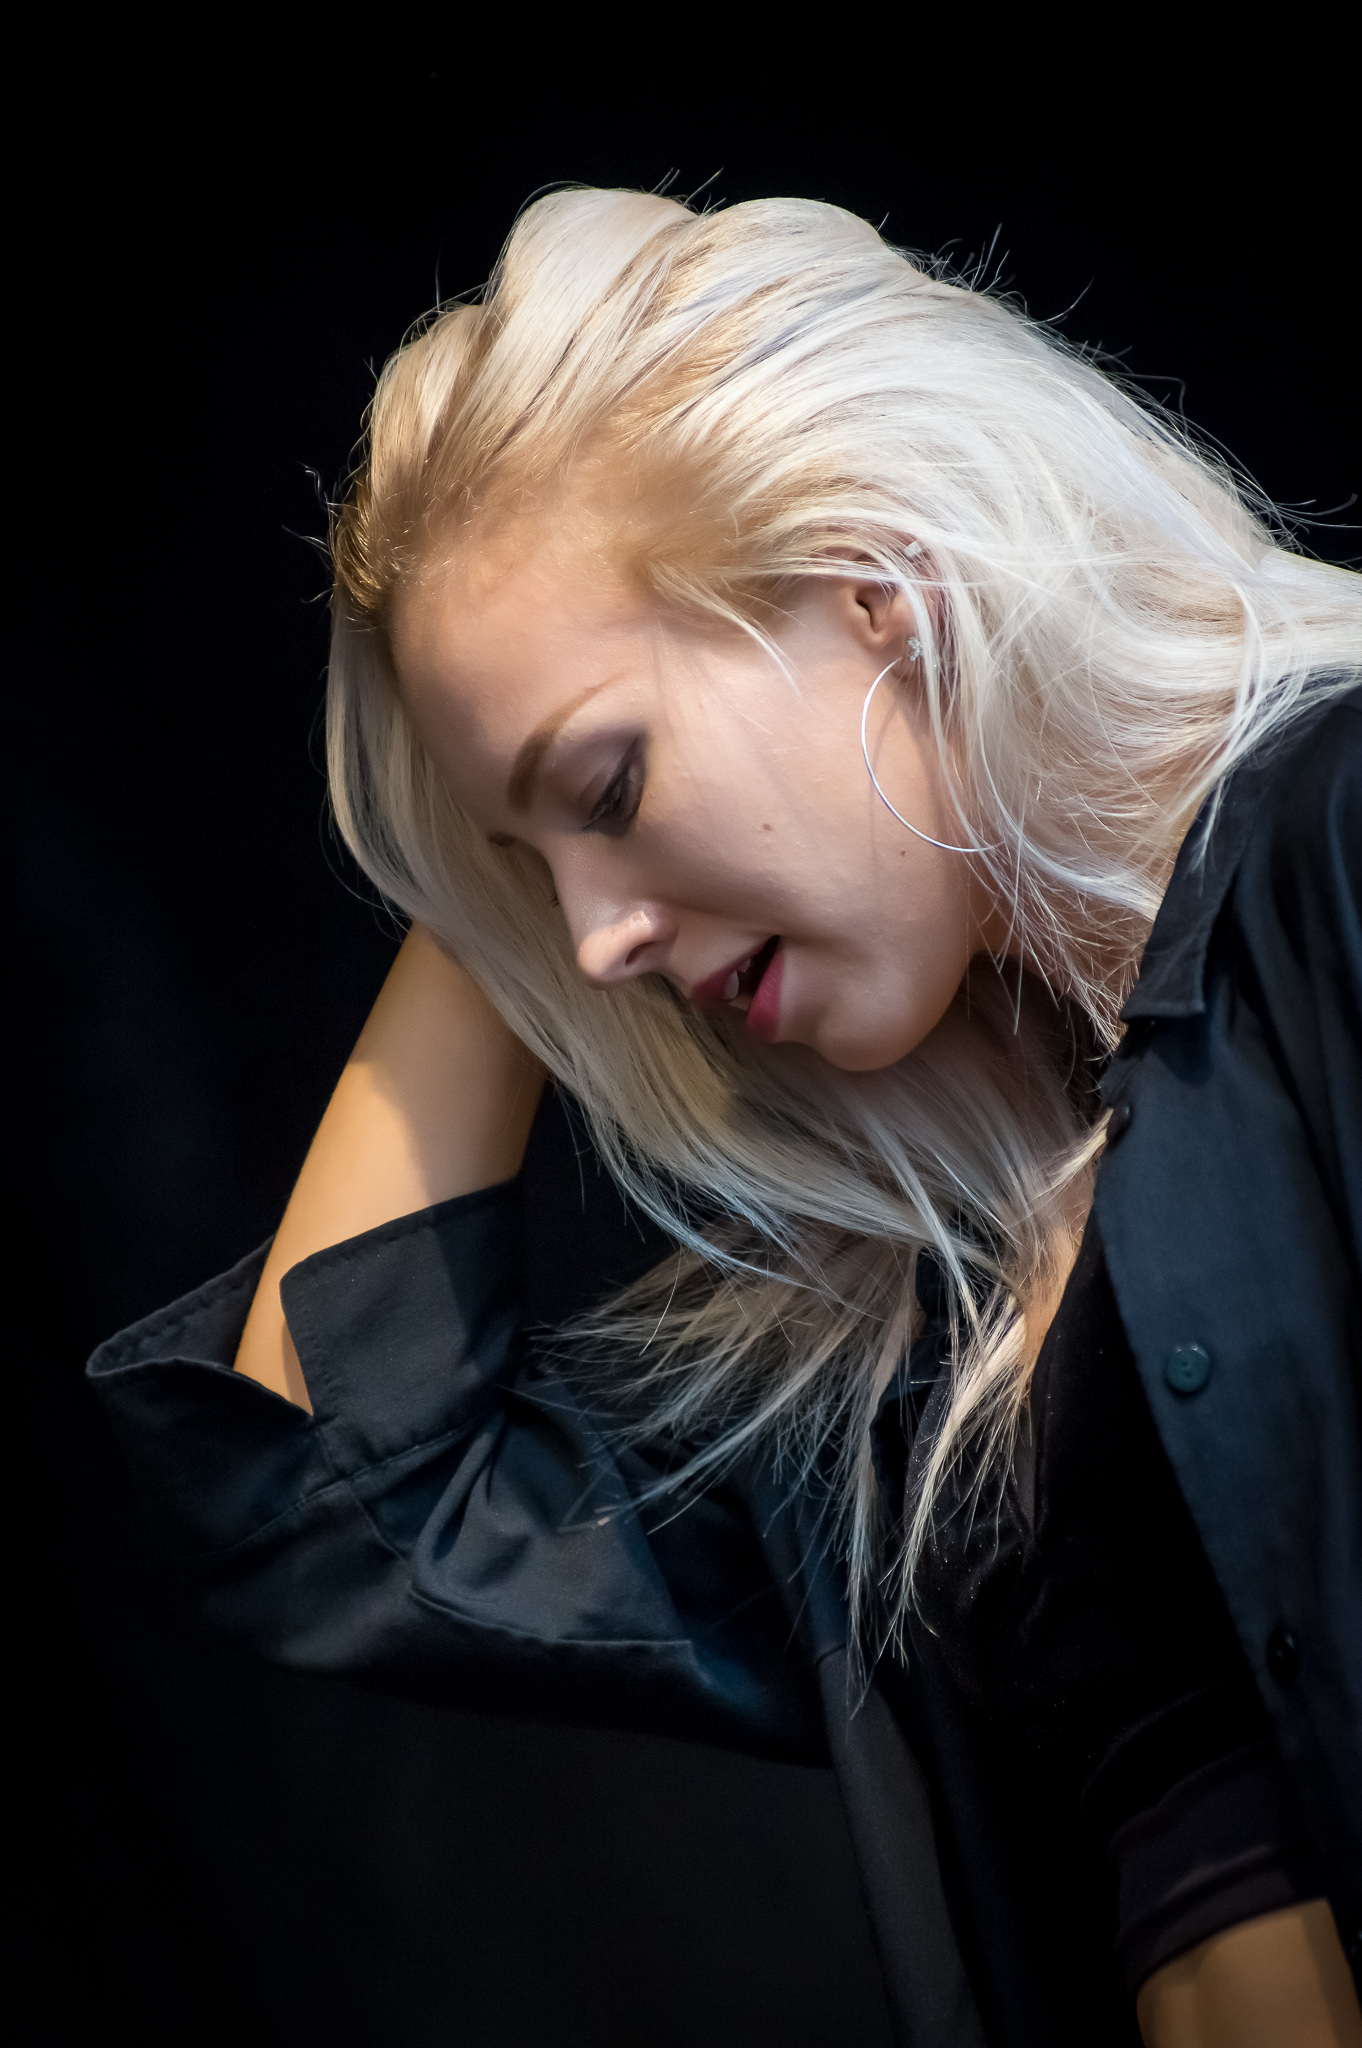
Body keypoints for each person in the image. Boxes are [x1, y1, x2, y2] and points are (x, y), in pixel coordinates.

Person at [89, 188, 1362, 2047]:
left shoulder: (1335, 857)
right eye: (532, 876)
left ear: (874, 580)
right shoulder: (917, 1363)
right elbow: (343, 1511)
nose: (589, 949)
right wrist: (497, 817)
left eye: (610, 786)